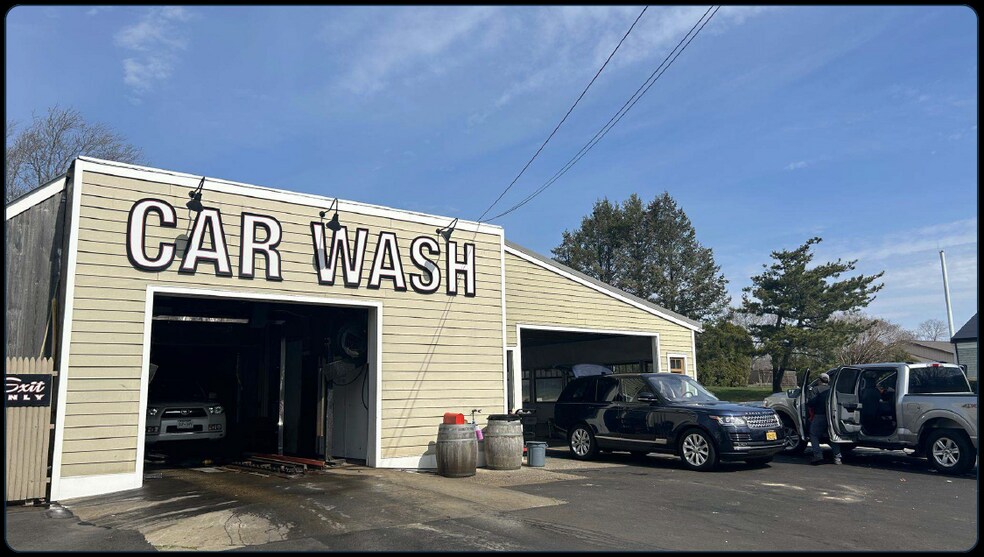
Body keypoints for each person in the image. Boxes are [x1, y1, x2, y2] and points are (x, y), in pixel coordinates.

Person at [806, 372, 842, 465]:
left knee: (813, 434)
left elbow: (811, 403)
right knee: (832, 435)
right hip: (832, 417)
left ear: (819, 380)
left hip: (820, 415)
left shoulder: (815, 389)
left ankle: (818, 456)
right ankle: (837, 458)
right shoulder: (832, 390)